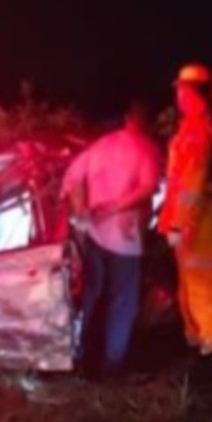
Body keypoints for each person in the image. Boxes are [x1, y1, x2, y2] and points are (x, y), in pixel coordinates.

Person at [60, 99, 162, 379]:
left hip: (95, 234)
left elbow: (71, 178)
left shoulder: (101, 145)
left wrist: (82, 212)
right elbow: (149, 187)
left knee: (94, 295)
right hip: (125, 237)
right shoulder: (147, 148)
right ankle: (113, 364)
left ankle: (85, 360)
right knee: (123, 300)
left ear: (126, 117)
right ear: (147, 121)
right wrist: (115, 207)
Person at [156, 63, 212, 369]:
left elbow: (193, 182)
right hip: (190, 217)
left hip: (200, 217)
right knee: (188, 284)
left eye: (183, 91)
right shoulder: (193, 126)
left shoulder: (201, 130)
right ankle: (200, 342)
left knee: (201, 283)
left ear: (194, 93)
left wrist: (178, 222)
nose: (179, 97)